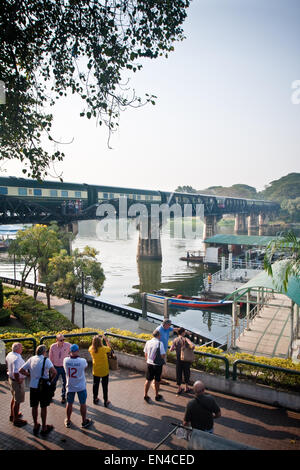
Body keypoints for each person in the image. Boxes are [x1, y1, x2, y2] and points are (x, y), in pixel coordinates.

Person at [19, 344, 57, 436]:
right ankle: (44, 427)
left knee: (34, 406)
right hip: (43, 387)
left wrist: (29, 375)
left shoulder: (31, 359)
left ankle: (36, 424)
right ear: (44, 352)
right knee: (43, 407)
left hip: (33, 386)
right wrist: (50, 380)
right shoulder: (46, 360)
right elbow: (54, 372)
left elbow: (21, 370)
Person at [63, 343, 92, 429]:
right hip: (81, 386)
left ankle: (68, 420)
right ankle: (84, 421)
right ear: (78, 351)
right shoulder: (82, 361)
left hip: (70, 386)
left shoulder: (66, 360)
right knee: (82, 404)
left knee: (69, 403)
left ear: (70, 351)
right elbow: (85, 367)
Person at [6, 342, 27, 427]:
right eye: (21, 347)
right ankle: (16, 420)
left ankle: (13, 415)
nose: (22, 349)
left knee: (14, 398)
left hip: (11, 380)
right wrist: (19, 380)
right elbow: (16, 372)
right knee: (17, 401)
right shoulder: (17, 358)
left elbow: (7, 364)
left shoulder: (10, 354)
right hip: (16, 381)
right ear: (17, 349)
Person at [88, 334, 112, 407]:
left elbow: (92, 346)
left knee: (95, 385)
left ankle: (95, 398)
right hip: (104, 370)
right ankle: (105, 401)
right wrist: (106, 340)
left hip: (96, 370)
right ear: (100, 342)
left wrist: (95, 338)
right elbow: (110, 348)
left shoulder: (91, 349)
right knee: (105, 386)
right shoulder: (103, 349)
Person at [170, 327, 195, 396]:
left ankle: (179, 388)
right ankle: (186, 387)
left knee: (178, 373)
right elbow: (192, 346)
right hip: (185, 359)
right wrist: (191, 348)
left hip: (178, 359)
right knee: (186, 372)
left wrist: (176, 348)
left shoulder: (175, 340)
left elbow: (171, 350)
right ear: (183, 332)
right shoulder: (186, 339)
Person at [143, 329, 166, 403]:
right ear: (158, 335)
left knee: (148, 380)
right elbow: (162, 355)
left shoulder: (148, 342)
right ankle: (156, 395)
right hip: (157, 365)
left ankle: (145, 395)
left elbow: (145, 353)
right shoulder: (160, 343)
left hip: (149, 363)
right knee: (157, 380)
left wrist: (148, 360)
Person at [49, 333, 71, 404]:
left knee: (65, 382)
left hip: (65, 367)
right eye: (61, 340)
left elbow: (75, 350)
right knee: (53, 382)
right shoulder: (52, 347)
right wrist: (51, 368)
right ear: (57, 340)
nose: (63, 341)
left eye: (63, 340)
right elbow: (50, 358)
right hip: (55, 367)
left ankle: (63, 397)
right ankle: (50, 396)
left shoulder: (68, 345)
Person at [157, 319, 179, 385]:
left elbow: (174, 329)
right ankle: (155, 381)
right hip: (159, 352)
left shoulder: (167, 328)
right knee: (158, 366)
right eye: (169, 325)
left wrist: (182, 330)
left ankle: (159, 379)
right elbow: (155, 340)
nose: (170, 326)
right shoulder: (159, 330)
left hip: (164, 351)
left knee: (161, 366)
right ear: (165, 324)